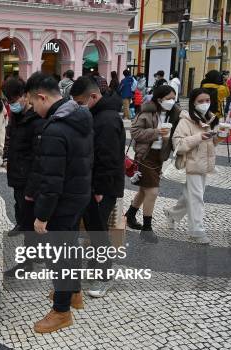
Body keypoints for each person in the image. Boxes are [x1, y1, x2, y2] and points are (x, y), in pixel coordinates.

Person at [24, 72, 93, 334]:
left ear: (42, 97)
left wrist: (41, 216)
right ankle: (74, 294)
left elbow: (52, 180)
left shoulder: (55, 128)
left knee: (60, 256)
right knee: (70, 248)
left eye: (32, 103)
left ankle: (61, 312)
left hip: (63, 201)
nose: (32, 108)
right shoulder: (80, 116)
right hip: (78, 196)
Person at [71, 76, 125, 298]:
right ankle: (93, 269)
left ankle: (103, 276)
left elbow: (109, 158)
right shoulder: (95, 114)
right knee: (94, 230)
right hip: (91, 185)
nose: (78, 106)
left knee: (99, 232)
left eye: (81, 102)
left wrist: (100, 190)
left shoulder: (107, 120)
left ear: (94, 96)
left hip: (103, 188)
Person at [164, 88, 223, 245]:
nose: (205, 104)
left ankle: (172, 214)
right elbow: (178, 144)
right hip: (191, 163)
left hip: (204, 163)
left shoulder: (209, 119)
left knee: (190, 195)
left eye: (207, 101)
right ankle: (196, 232)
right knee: (197, 197)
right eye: (201, 101)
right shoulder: (185, 120)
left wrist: (219, 138)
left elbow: (210, 143)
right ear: (193, 103)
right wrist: (198, 137)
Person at [125, 85, 181, 243]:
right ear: (159, 99)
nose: (172, 101)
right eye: (168, 98)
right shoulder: (147, 112)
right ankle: (147, 228)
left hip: (159, 156)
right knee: (152, 191)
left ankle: (130, 215)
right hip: (145, 155)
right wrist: (156, 132)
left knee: (144, 190)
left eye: (173, 98)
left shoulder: (175, 114)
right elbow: (135, 132)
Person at [2, 76, 44, 236]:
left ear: (26, 96)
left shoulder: (36, 118)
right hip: (16, 171)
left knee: (29, 209)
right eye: (9, 101)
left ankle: (32, 245)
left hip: (29, 174)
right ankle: (20, 224)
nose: (12, 104)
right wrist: (6, 157)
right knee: (18, 204)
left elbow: (37, 153)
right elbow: (9, 138)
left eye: (14, 100)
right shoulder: (15, 116)